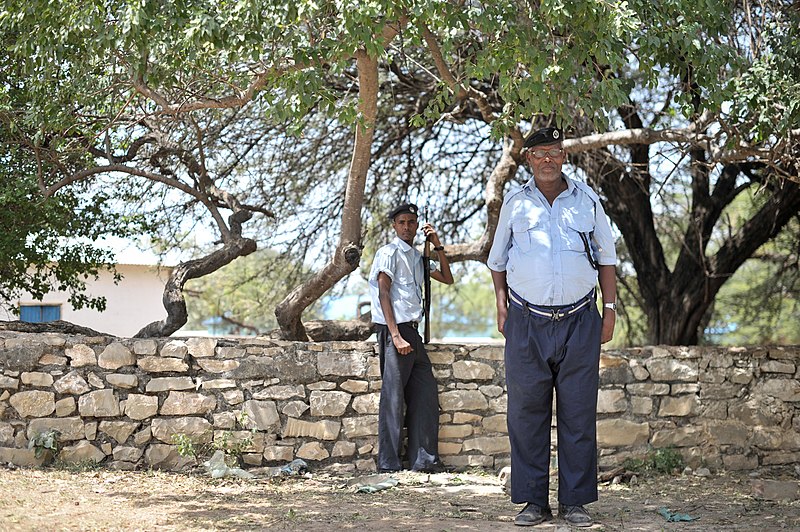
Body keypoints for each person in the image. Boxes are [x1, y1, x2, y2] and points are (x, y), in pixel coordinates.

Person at [487, 127, 617, 527]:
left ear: (563, 157)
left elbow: (607, 257)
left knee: (578, 414)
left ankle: (575, 503)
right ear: (528, 159)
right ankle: (533, 503)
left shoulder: (587, 200)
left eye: (554, 152)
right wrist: (502, 304)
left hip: (580, 320)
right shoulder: (514, 202)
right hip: (527, 322)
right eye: (539, 153)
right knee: (527, 415)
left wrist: (609, 309)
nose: (547, 159)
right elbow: (497, 260)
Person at [368, 202, 454, 472]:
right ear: (394, 226)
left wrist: (437, 244)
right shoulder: (388, 252)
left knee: (425, 394)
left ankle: (424, 460)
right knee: (393, 397)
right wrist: (395, 336)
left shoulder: (418, 257)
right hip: (395, 330)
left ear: (417, 226)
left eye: (411, 222)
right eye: (401, 222)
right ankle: (388, 464)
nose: (406, 227)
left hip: (413, 332)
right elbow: (384, 293)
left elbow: (447, 278)